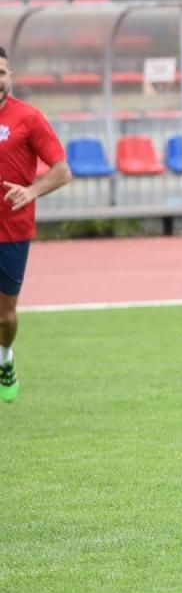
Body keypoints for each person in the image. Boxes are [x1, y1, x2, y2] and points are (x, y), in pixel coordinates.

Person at [0, 47, 72, 403]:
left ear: (9, 76)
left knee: (5, 315)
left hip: (12, 231)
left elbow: (62, 171)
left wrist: (30, 192)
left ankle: (5, 357)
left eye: (1, 72)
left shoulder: (28, 118)